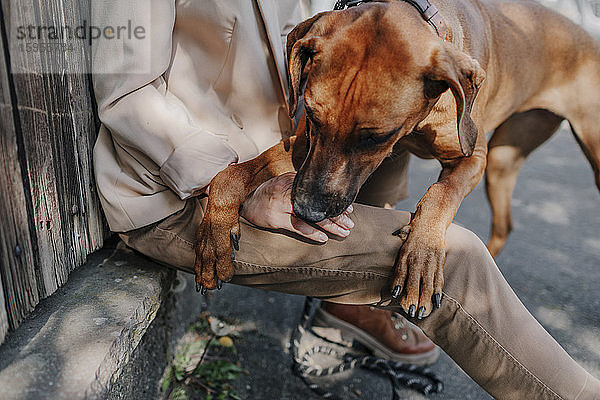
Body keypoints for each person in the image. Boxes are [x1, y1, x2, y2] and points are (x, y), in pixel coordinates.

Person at [91, 0, 600, 398]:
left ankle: (351, 306)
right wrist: (227, 179)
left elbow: (457, 139)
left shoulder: (439, 80)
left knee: (391, 152)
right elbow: (126, 94)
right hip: (170, 190)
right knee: (460, 263)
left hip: (274, 159)